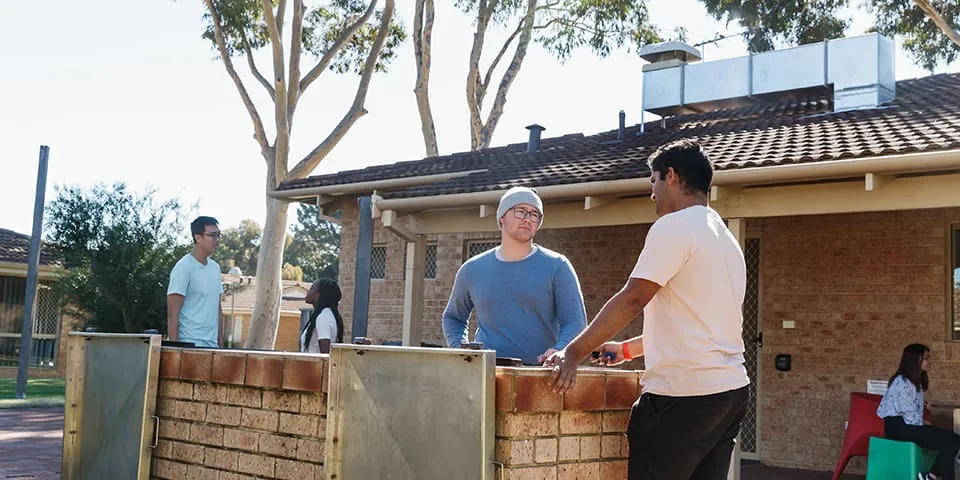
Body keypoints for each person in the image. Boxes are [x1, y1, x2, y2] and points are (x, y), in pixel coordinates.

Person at [544, 139, 750, 480]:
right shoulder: (725, 239)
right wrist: (627, 349)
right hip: (728, 396)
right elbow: (701, 323)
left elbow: (633, 298)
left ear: (670, 176)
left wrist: (573, 352)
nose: (651, 193)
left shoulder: (675, 226)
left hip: (683, 399)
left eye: (653, 181)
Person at [441, 186, 587, 365]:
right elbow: (453, 317)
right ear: (502, 217)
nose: (528, 219)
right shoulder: (472, 269)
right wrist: (461, 350)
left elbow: (575, 321)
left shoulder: (557, 266)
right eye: (520, 211)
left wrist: (560, 349)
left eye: (534, 214)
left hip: (540, 375)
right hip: (486, 373)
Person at [877, 343, 960, 480]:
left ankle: (931, 476)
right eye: (926, 358)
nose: (930, 362)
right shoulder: (902, 382)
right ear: (915, 360)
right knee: (951, 442)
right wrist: (923, 423)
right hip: (899, 427)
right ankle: (931, 476)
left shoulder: (915, 382)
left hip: (908, 425)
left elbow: (911, 407)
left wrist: (923, 412)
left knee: (952, 441)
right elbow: (908, 413)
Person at [166, 216, 225, 348]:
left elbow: (218, 309)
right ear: (198, 238)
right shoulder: (183, 267)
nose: (218, 240)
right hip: (189, 345)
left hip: (212, 346)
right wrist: (176, 352)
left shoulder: (215, 268)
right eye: (213, 235)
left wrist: (221, 344)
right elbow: (172, 314)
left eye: (219, 235)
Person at [300, 278, 344, 354]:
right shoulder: (327, 315)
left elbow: (325, 355)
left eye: (311, 289)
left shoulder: (323, 317)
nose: (308, 291)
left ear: (318, 295)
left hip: (314, 365)